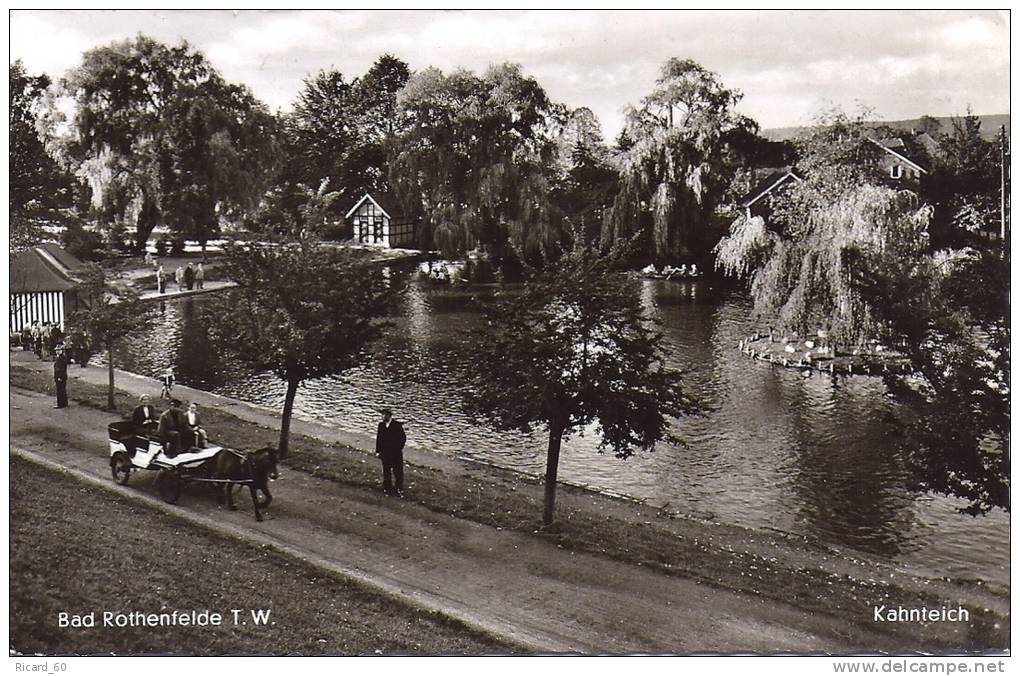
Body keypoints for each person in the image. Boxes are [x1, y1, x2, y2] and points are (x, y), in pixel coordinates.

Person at [375, 407, 407, 496]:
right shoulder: (381, 425)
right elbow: (379, 439)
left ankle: (399, 489)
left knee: (398, 472)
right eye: (382, 415)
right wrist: (378, 451)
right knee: (386, 471)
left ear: (389, 415)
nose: (382, 417)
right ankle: (387, 488)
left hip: (395, 453)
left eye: (384, 415)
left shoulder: (397, 426)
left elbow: (403, 439)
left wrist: (398, 449)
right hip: (385, 453)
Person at [53, 343, 70, 408]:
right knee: (61, 389)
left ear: (62, 350)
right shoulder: (59, 357)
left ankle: (60, 404)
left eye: (58, 350)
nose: (57, 351)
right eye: (56, 350)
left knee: (60, 390)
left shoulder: (62, 358)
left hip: (61, 376)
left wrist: (60, 377)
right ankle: (64, 403)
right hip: (59, 376)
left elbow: (62, 369)